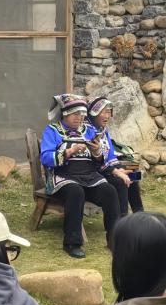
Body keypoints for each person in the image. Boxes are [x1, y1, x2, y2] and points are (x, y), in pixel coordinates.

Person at [40, 93, 122, 259]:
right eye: (75, 114)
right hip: (63, 176)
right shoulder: (53, 131)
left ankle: (114, 240)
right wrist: (69, 151)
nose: (80, 118)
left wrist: (96, 151)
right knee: (75, 191)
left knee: (109, 191)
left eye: (82, 114)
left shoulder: (89, 131)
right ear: (65, 114)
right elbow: (46, 157)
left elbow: (100, 161)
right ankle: (72, 243)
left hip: (89, 176)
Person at [87, 95, 143, 214]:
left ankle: (140, 215)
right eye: (104, 112)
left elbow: (111, 155)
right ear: (94, 113)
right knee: (121, 181)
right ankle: (122, 218)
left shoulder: (103, 130)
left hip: (109, 168)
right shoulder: (87, 131)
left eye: (109, 112)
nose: (107, 116)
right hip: (96, 171)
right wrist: (116, 171)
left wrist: (119, 168)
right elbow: (94, 162)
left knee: (134, 175)